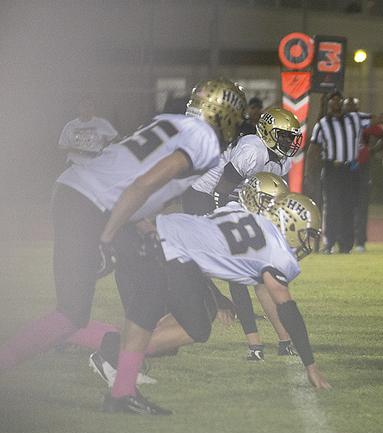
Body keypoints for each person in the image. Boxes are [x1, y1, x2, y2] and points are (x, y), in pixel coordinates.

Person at [0, 78, 247, 374]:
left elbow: (128, 170)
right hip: (94, 205)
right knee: (72, 313)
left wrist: (140, 226)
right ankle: (108, 358)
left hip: (85, 194)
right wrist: (107, 237)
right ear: (224, 113)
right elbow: (143, 184)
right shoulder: (204, 140)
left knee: (148, 291)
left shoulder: (170, 121)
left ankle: (121, 374)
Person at [97, 191, 330, 415]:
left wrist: (218, 299)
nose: (307, 243)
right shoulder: (277, 254)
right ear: (289, 222)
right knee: (195, 327)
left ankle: (118, 353)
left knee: (202, 310)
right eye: (307, 234)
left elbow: (207, 249)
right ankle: (113, 349)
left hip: (159, 235)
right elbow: (288, 310)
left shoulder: (245, 214)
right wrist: (310, 365)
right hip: (165, 251)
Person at [182, 108, 305, 360]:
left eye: (291, 138)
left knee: (261, 274)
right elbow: (222, 188)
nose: (289, 143)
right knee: (237, 271)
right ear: (269, 133)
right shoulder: (254, 151)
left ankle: (283, 341)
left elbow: (268, 198)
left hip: (235, 199)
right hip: (204, 196)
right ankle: (255, 344)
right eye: (284, 136)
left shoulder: (282, 159)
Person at [305, 91, 383, 254]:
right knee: (332, 206)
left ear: (342, 103)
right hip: (332, 168)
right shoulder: (323, 124)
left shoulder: (355, 118)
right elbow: (313, 149)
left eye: (339, 100)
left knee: (348, 206)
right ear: (328, 104)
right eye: (333, 100)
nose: (336, 103)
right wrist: (308, 173)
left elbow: (381, 118)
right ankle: (329, 242)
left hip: (349, 169)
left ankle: (346, 245)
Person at [345, 97, 383, 253]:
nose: (350, 110)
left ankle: (360, 242)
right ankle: (343, 239)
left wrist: (372, 150)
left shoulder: (363, 121)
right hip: (342, 169)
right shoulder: (337, 122)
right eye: (348, 107)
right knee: (343, 205)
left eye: (353, 107)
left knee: (361, 206)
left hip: (361, 168)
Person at [58, 96, 119, 166]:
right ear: (78, 108)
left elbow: (115, 139)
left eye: (90, 105)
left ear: (94, 107)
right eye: (84, 105)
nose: (87, 108)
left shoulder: (102, 123)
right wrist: (82, 152)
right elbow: (62, 147)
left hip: (96, 164)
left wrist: (106, 151)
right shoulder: (70, 125)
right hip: (75, 164)